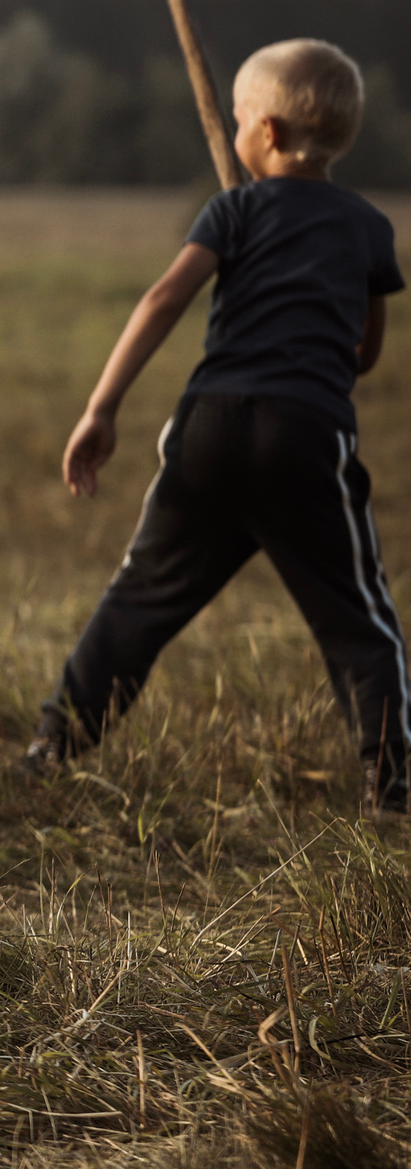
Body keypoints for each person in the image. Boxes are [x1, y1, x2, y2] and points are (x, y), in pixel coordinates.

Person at [26, 39, 407, 811]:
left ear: (264, 134)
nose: (234, 133)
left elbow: (163, 299)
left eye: (238, 120)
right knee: (360, 619)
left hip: (209, 427)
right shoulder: (368, 227)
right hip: (305, 435)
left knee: (141, 596)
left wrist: (101, 408)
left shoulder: (232, 210)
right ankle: (392, 779)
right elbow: (365, 353)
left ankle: (53, 742)